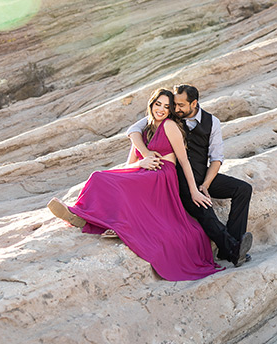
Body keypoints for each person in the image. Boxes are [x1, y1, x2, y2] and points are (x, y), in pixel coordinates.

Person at [46, 88, 223, 281]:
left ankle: (110, 222)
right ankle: (81, 215)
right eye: (158, 105)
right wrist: (142, 161)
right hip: (143, 171)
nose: (161, 110)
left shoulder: (170, 125)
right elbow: (129, 165)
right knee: (99, 177)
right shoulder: (143, 130)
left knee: (118, 184)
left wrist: (193, 191)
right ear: (151, 104)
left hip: (161, 175)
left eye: (166, 106)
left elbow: (184, 160)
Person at [128, 84, 253, 267]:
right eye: (174, 105)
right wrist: (146, 153)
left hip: (203, 176)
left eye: (180, 105)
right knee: (204, 209)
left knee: (243, 189)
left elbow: (217, 159)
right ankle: (234, 251)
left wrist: (206, 185)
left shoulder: (212, 122)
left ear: (194, 103)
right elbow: (133, 129)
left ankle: (232, 246)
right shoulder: (168, 117)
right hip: (180, 180)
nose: (175, 109)